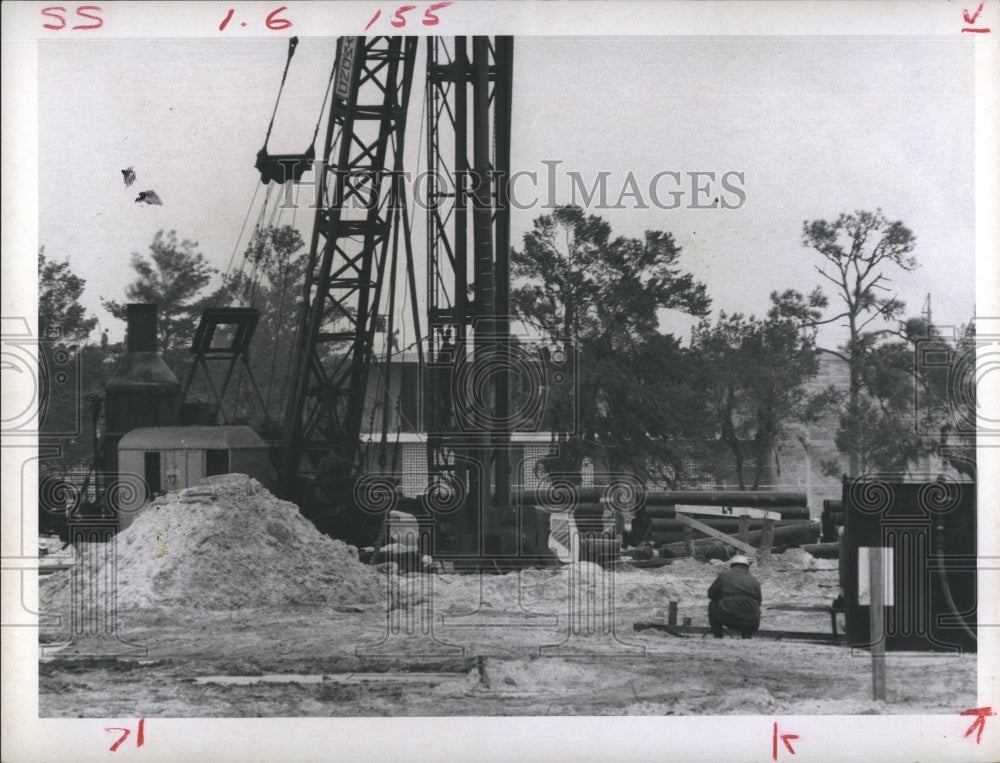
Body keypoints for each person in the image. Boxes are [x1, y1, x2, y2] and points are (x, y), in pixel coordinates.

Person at [708, 554, 762, 639]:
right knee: (751, 606)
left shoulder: (724, 576)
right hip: (751, 622)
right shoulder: (754, 580)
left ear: (732, 565)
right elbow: (759, 602)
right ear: (747, 567)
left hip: (729, 619)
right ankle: (747, 637)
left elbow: (711, 594)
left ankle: (718, 635)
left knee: (712, 604)